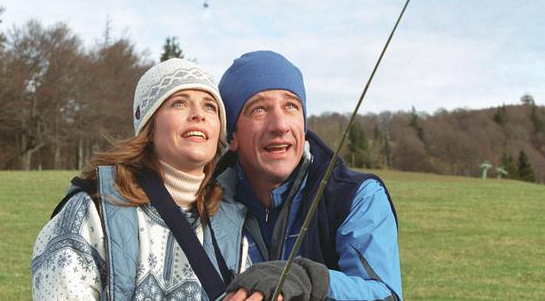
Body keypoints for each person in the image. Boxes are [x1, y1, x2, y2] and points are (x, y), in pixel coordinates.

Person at [31, 58, 250, 300]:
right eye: (179, 103)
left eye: (210, 106)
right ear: (149, 125)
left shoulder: (231, 225)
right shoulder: (91, 212)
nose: (199, 114)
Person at [216, 51, 402, 301]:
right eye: (259, 109)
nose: (280, 125)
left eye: (291, 106)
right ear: (232, 136)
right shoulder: (205, 202)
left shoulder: (356, 196)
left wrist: (308, 279)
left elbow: (385, 295)